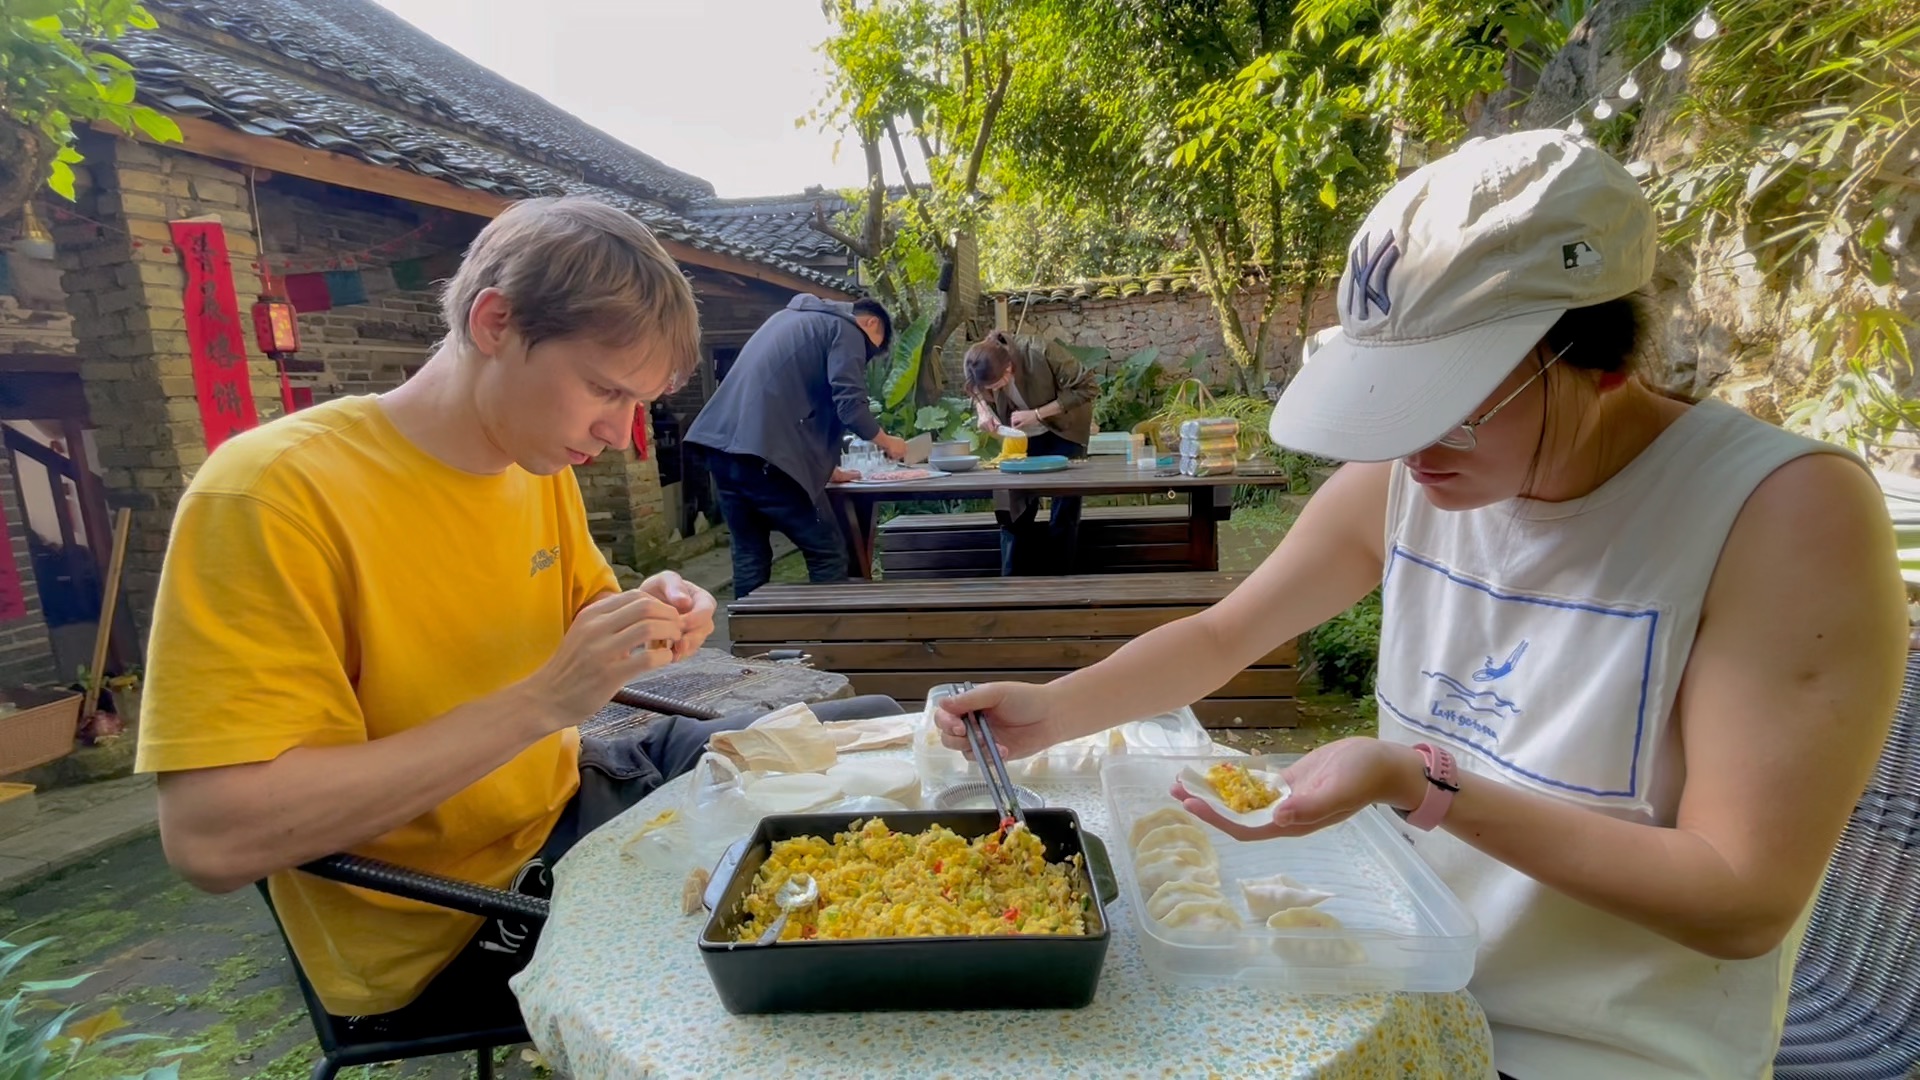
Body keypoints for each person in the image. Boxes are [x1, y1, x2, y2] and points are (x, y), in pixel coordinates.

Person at [937, 130, 1908, 1078]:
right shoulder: (1415, 478)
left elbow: (1740, 898)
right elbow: (1228, 633)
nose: (1410, 446)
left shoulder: (1780, 513)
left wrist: (1422, 785)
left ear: (1603, 358)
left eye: (1449, 402)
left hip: (1593, 1046)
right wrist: (1049, 713)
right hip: (1402, 991)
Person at [137, 197, 750, 1032]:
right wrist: (541, 703)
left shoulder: (532, 463)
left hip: (573, 798)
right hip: (452, 913)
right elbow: (211, 840)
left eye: (638, 401)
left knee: (858, 742)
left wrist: (653, 611)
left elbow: (589, 612)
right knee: (770, 939)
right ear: (494, 321)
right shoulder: (271, 495)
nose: (620, 433)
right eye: (604, 389)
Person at [686, 295, 908, 598]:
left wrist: (827, 468)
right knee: (828, 551)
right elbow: (849, 405)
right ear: (872, 323)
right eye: (870, 351)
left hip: (721, 449)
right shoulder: (847, 329)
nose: (863, 357)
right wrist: (888, 442)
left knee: (750, 554)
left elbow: (793, 398)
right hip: (766, 458)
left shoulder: (788, 318)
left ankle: (751, 644)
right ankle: (833, 641)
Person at [962, 330, 1097, 575]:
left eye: (996, 386)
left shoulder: (1039, 351)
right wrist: (983, 411)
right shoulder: (977, 359)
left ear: (1009, 368)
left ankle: (1060, 578)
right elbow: (974, 389)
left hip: (1063, 430)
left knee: (1064, 509)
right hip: (1020, 437)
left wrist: (1036, 414)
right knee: (1013, 507)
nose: (994, 392)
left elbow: (1087, 387)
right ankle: (1013, 581)